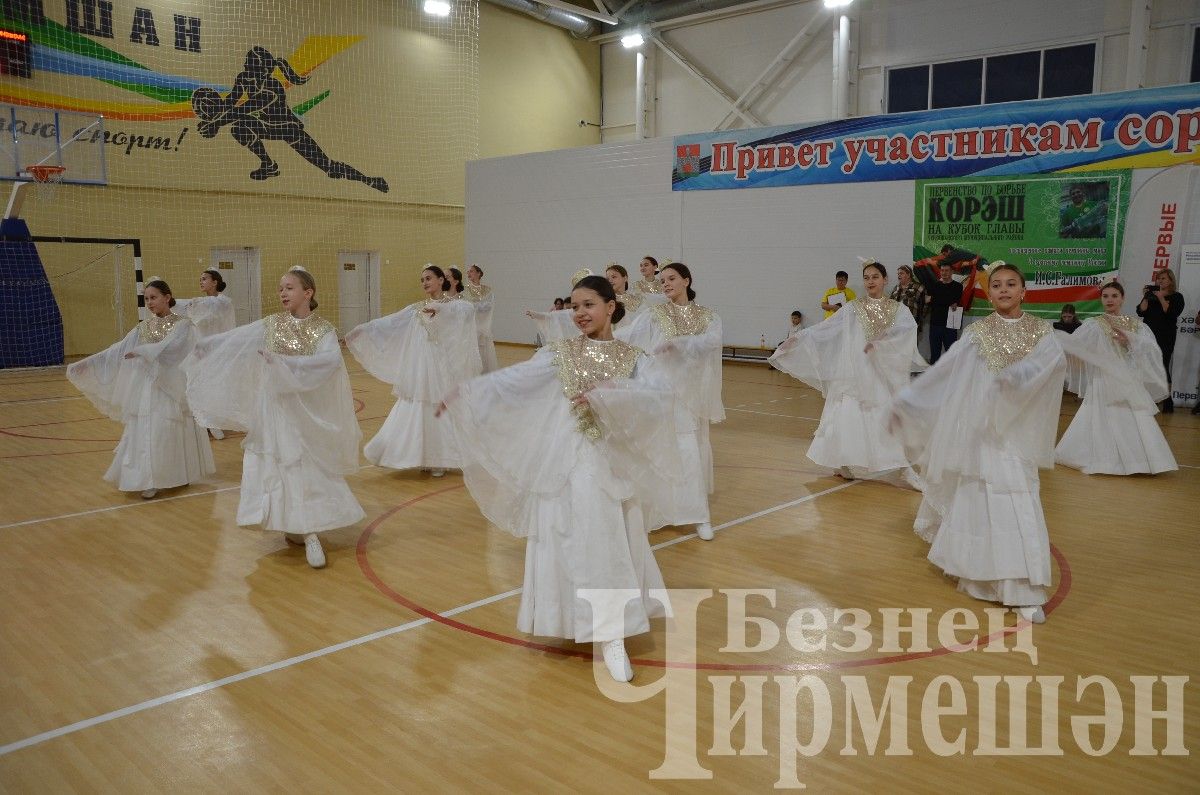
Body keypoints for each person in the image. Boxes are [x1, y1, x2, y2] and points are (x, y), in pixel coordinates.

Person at [437, 275, 679, 682]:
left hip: (608, 463)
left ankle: (611, 635)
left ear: (611, 306)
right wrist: (470, 391)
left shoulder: (635, 357)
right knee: (563, 535)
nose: (580, 313)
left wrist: (610, 395)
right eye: (574, 306)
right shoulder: (559, 352)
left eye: (588, 305)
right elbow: (515, 380)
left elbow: (658, 401)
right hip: (563, 460)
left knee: (606, 543)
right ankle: (566, 618)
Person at [890, 262, 1066, 624]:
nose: (1003, 290)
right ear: (989, 292)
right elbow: (943, 371)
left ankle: (1021, 589)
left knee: (1017, 499)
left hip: (1015, 434)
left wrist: (1012, 380)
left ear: (1023, 291)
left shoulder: (1042, 333)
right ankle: (977, 573)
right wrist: (909, 400)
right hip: (979, 432)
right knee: (978, 496)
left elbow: (1046, 369)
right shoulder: (976, 334)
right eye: (997, 284)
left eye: (1011, 284)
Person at [186, 266, 363, 569]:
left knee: (301, 464)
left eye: (290, 287)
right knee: (277, 463)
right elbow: (237, 338)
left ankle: (309, 531)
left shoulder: (323, 330)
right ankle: (292, 524)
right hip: (274, 408)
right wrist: (205, 346)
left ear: (308, 292)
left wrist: (283, 365)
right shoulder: (271, 324)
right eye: (281, 288)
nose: (283, 292)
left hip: (303, 411)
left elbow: (328, 362)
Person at [771, 262, 925, 483]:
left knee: (887, 417)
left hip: (881, 373)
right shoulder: (854, 307)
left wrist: (883, 341)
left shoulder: (898, 309)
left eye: (875, 277)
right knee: (847, 416)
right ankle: (842, 463)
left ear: (885, 280)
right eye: (866, 277)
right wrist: (796, 338)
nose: (870, 281)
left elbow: (907, 330)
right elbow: (827, 327)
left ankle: (904, 469)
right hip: (855, 373)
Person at [67, 279, 215, 499]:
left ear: (167, 297)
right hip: (147, 387)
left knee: (167, 430)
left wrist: (145, 351)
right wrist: (87, 364)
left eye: (153, 297)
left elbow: (174, 349)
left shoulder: (183, 324)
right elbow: (119, 348)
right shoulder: (144, 326)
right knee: (146, 429)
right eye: (146, 299)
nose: (149, 303)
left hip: (170, 387)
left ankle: (176, 474)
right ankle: (149, 478)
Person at [617, 262, 723, 540]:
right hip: (657, 392)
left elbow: (711, 342)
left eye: (671, 278)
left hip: (687, 395)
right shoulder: (654, 314)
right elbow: (626, 337)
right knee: (656, 450)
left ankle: (698, 514)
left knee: (688, 451)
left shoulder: (708, 316)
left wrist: (681, 343)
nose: (665, 284)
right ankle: (656, 512)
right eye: (662, 280)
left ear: (687, 280)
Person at [347, 265, 481, 477]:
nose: (425, 283)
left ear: (440, 280)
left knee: (438, 406)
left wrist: (442, 308)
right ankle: (419, 457)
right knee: (417, 406)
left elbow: (467, 311)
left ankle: (440, 459)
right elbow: (391, 322)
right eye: (422, 280)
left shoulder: (456, 306)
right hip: (420, 368)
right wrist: (364, 330)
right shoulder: (417, 309)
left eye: (428, 278)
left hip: (441, 367)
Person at [1055, 281, 1176, 475]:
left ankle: (1138, 462)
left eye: (1114, 296)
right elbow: (1076, 345)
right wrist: (1055, 341)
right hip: (1103, 378)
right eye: (1105, 296)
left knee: (1133, 416)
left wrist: (1130, 340)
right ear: (1101, 299)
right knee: (1102, 416)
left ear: (1122, 298)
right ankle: (1105, 459)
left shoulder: (1136, 325)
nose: (1109, 300)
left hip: (1128, 378)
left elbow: (1150, 349)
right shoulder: (1094, 324)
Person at [176, 268, 238, 439]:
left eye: (204, 278)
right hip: (200, 353)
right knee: (196, 385)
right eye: (200, 279)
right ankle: (202, 422)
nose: (201, 281)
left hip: (219, 352)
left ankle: (214, 422)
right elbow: (191, 308)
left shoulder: (224, 302)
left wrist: (172, 301)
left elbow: (205, 305)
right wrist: (168, 301)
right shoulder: (202, 303)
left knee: (215, 387)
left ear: (215, 282)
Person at [1136, 268, 1185, 413]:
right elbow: (1141, 311)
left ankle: (1167, 399)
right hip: (1148, 335)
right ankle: (1152, 398)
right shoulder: (1151, 296)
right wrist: (1146, 296)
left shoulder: (1177, 297)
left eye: (1163, 278)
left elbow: (1170, 312)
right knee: (1148, 365)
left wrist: (1162, 298)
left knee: (1162, 365)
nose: (1160, 281)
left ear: (1170, 280)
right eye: (1158, 278)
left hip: (1166, 336)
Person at [925, 262, 964, 365]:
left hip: (950, 325)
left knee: (951, 353)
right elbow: (928, 302)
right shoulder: (934, 285)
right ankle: (934, 377)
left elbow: (933, 300)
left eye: (947, 270)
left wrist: (934, 299)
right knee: (934, 354)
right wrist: (945, 301)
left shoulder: (958, 286)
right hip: (935, 324)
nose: (944, 273)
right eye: (942, 270)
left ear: (952, 272)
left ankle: (951, 377)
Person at [462, 264, 498, 372]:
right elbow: (466, 307)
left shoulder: (487, 290)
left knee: (485, 355)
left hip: (483, 328)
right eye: (468, 272)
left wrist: (475, 305)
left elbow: (488, 306)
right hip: (471, 328)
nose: (469, 273)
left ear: (478, 273)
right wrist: (476, 305)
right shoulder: (465, 291)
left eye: (471, 271)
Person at [1054, 304, 1086, 396]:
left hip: (1074, 355)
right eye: (1064, 316)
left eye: (1069, 316)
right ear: (1061, 316)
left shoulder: (1079, 327)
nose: (1067, 319)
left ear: (1074, 316)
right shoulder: (1057, 326)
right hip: (1062, 355)